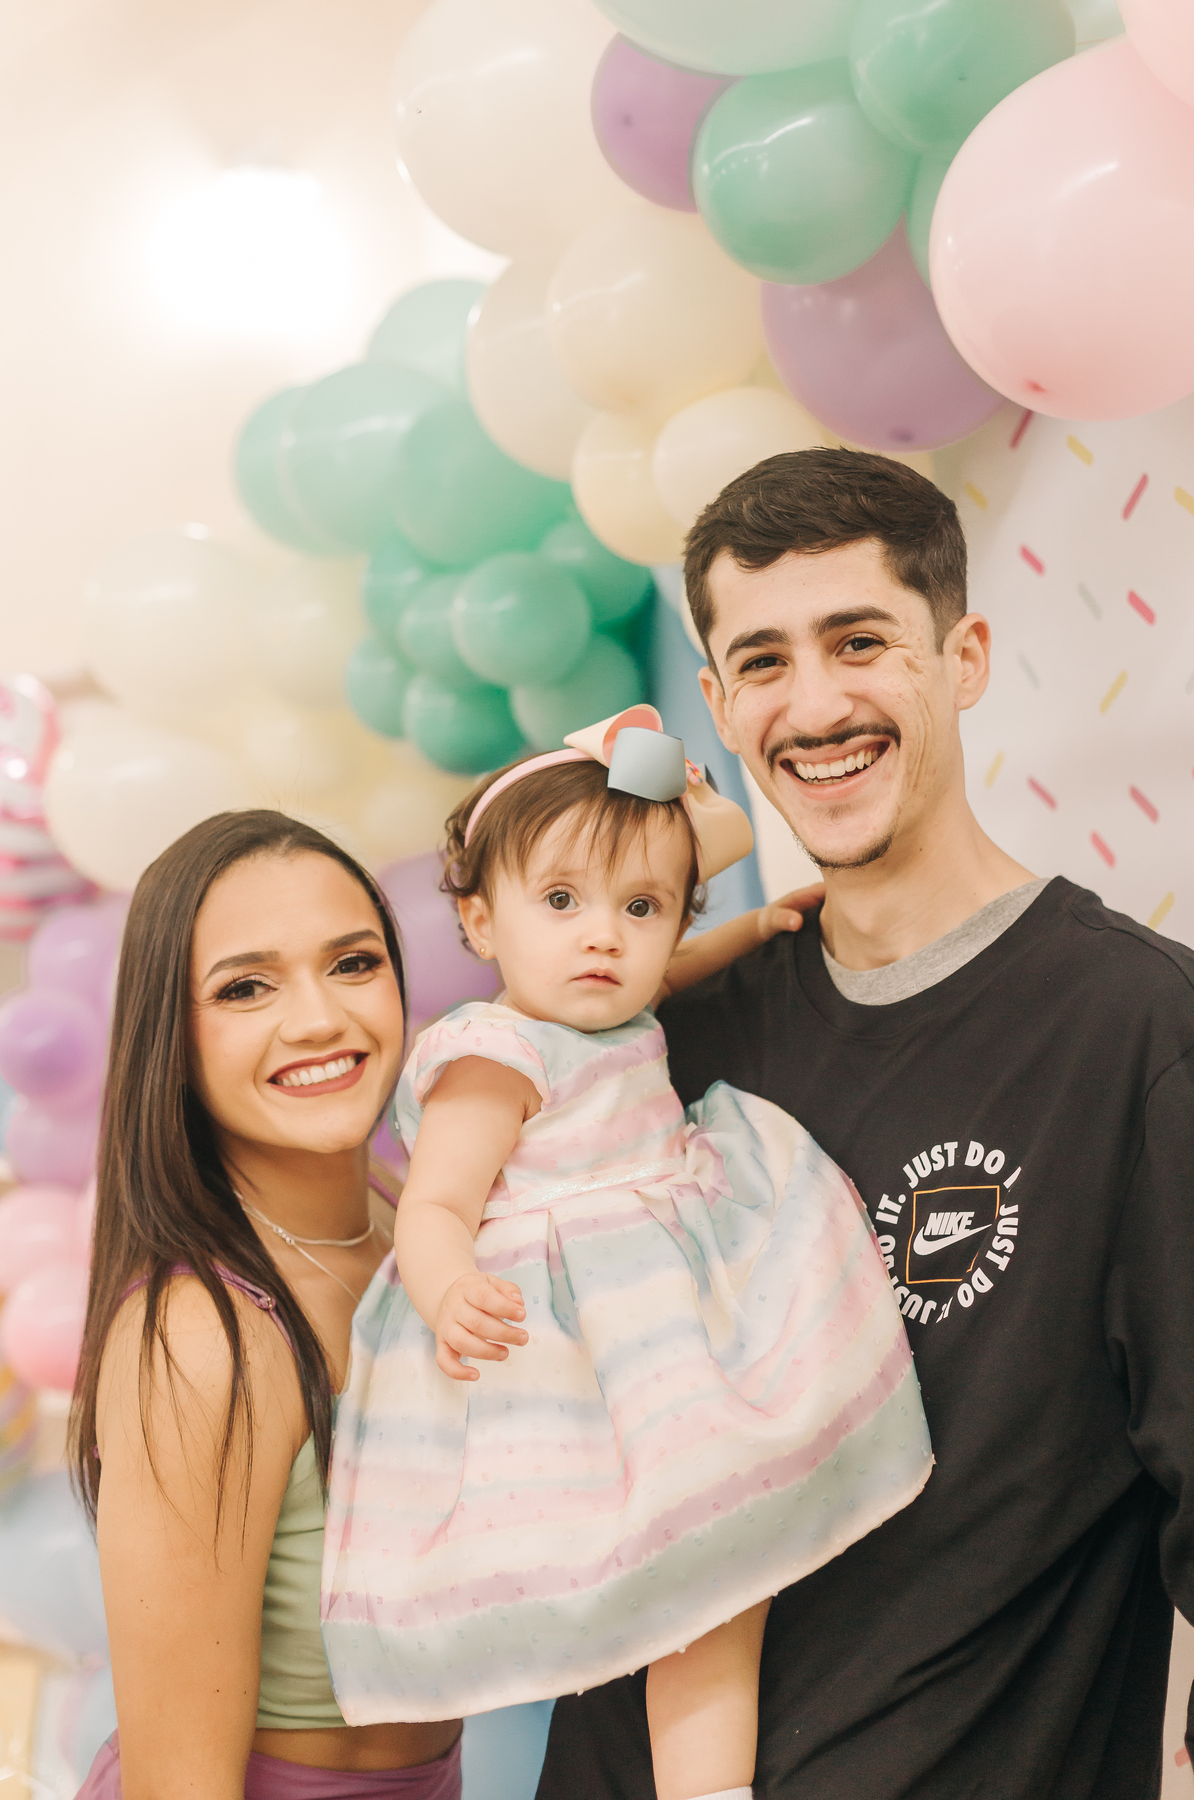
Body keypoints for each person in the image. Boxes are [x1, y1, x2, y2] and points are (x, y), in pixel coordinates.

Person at [534, 447, 1194, 1800]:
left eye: (860, 641)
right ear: (719, 706)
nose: (817, 703)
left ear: (964, 657)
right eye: (763, 662)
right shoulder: (674, 1046)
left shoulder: (1137, 1033)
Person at [320, 707, 933, 1800]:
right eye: (560, 902)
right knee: (682, 1590)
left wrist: (749, 932)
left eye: (640, 907)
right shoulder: (493, 1053)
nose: (603, 936)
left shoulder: (617, 1000)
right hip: (594, 1342)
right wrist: (451, 1288)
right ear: (479, 921)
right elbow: (435, 1204)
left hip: (677, 1303)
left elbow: (668, 970)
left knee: (725, 1585)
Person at [69, 810, 464, 1800]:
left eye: (353, 963)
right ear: (172, 1037)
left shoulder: (408, 1229)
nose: (320, 1019)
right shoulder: (203, 1337)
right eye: (247, 987)